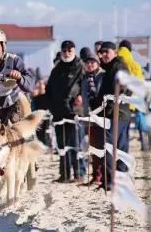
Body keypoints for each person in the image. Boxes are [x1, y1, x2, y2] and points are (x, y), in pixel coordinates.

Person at [44, 40, 86, 183]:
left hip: (75, 111)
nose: (67, 53)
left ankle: (79, 173)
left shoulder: (80, 66)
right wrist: (50, 107)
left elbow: (86, 85)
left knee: (75, 143)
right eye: (64, 51)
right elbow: (49, 89)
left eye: (70, 51)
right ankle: (65, 174)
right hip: (59, 112)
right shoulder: (57, 69)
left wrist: (81, 96)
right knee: (61, 145)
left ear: (74, 51)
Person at [95, 41, 132, 191]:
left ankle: (110, 182)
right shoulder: (111, 67)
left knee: (110, 147)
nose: (104, 55)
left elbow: (123, 86)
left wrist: (110, 100)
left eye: (107, 52)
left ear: (114, 52)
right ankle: (119, 180)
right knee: (121, 147)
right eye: (101, 52)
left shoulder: (117, 67)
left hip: (115, 112)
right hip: (121, 112)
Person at [80, 54, 105, 185]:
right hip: (89, 118)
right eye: (87, 63)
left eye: (92, 62)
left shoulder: (103, 76)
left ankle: (103, 175)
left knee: (103, 147)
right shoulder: (85, 79)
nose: (90, 65)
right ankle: (96, 175)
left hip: (102, 117)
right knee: (93, 148)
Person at [117, 44, 148, 151]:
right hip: (131, 102)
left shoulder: (115, 63)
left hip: (116, 101)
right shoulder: (135, 65)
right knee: (125, 131)